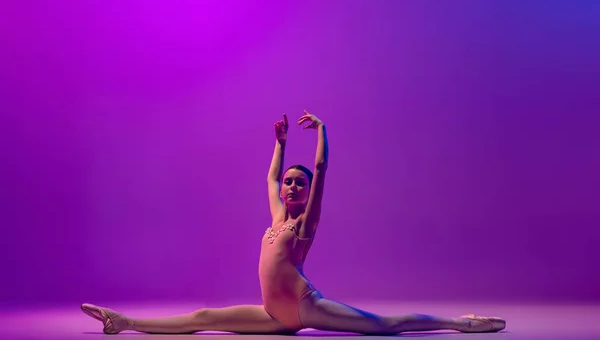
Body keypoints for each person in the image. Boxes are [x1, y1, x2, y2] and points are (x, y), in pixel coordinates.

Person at [81, 110, 506, 335]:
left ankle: (460, 322)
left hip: (305, 308)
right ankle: (124, 322)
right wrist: (280, 145)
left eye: (297, 184)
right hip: (273, 315)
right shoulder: (276, 216)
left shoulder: (305, 223)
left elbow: (320, 170)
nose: (290, 187)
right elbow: (268, 176)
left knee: (384, 328)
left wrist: (321, 130)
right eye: (288, 183)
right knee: (204, 317)